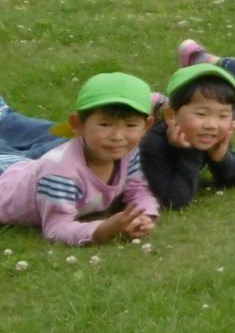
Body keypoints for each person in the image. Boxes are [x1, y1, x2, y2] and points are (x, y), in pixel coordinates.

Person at [0, 73, 159, 244]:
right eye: (105, 124)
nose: (117, 136)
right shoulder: (61, 172)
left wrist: (144, 214)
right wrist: (103, 229)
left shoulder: (127, 152)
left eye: (131, 125)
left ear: (147, 126)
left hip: (20, 168)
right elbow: (56, 228)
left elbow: (137, 189)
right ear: (78, 125)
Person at [140, 63, 235, 210]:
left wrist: (221, 158)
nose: (212, 125)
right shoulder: (153, 144)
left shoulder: (211, 136)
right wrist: (188, 153)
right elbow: (175, 200)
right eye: (201, 114)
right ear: (171, 115)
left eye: (223, 115)